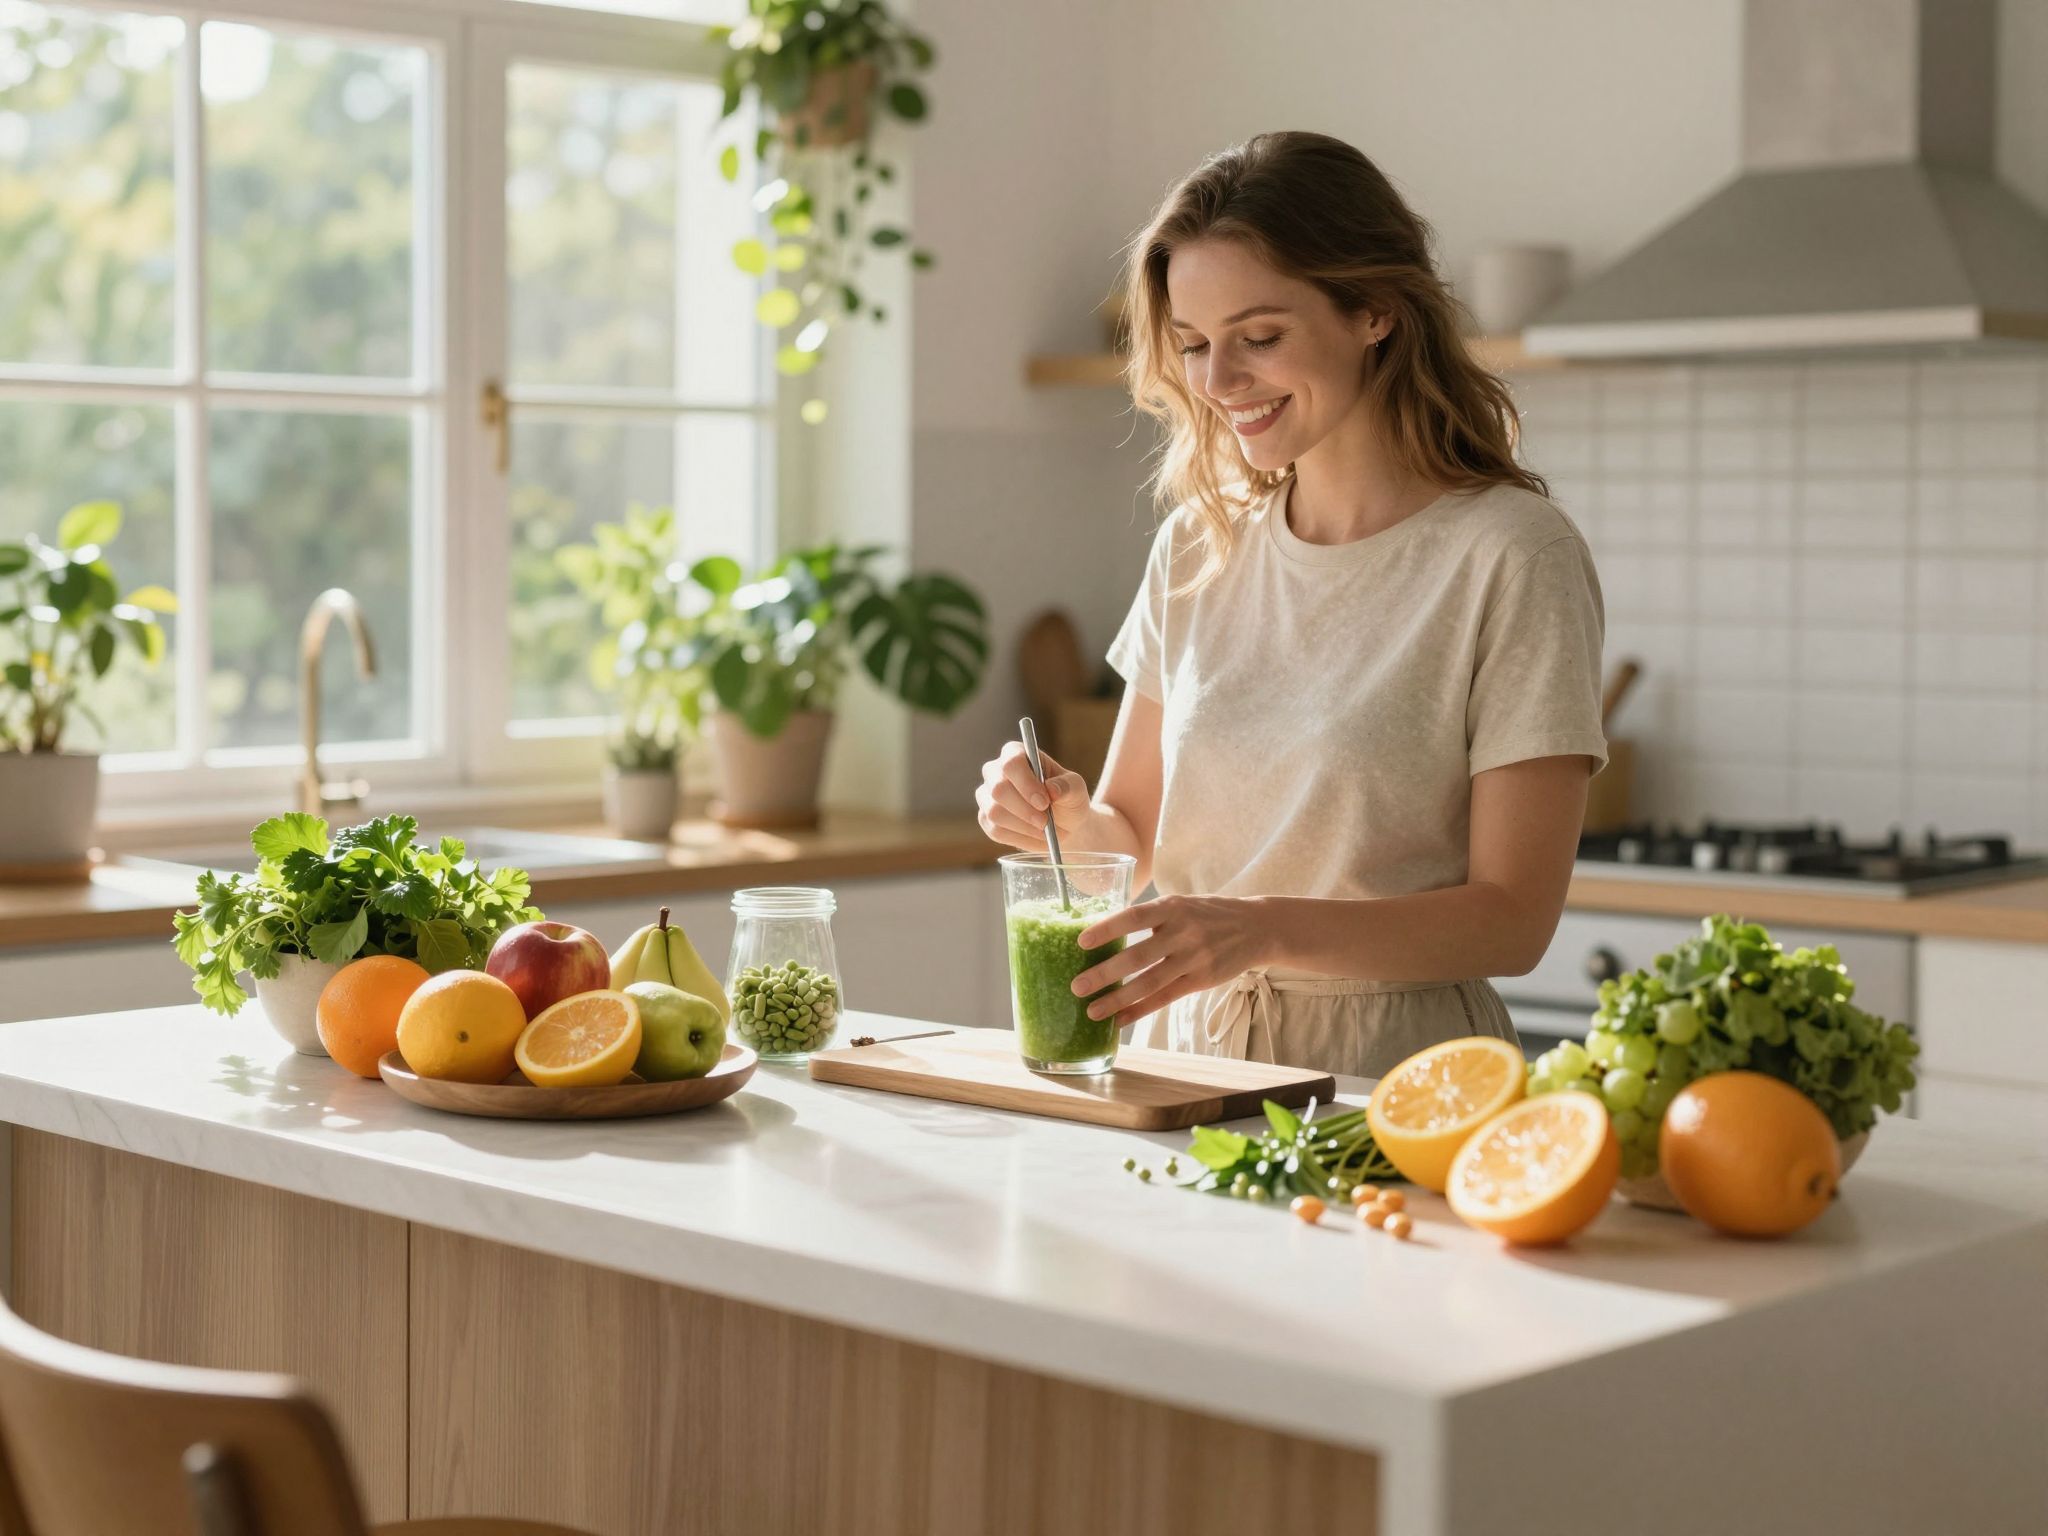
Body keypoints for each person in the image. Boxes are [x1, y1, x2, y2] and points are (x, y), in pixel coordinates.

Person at [975, 131, 1608, 1079]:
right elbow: (1135, 844)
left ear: (1375, 313)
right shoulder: (1199, 544)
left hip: (1392, 1078)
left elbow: (1513, 920)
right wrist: (1059, 817)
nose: (1219, 384)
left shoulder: (1512, 554)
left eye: (1260, 338)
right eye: (1193, 345)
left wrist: (1257, 932)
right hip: (1177, 1063)